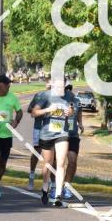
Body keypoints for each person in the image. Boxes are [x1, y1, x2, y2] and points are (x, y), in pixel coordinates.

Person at [30, 77, 74, 208]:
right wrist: (48, 110)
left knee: (61, 163)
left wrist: (70, 112)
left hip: (62, 133)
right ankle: (45, 187)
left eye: (62, 87)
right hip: (47, 134)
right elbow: (33, 113)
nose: (60, 90)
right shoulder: (45, 96)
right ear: (53, 85)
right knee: (48, 164)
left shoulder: (69, 95)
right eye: (58, 87)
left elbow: (72, 110)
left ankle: (58, 195)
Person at [27, 81, 51, 190]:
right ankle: (31, 176)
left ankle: (49, 181)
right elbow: (30, 109)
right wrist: (41, 111)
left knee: (50, 155)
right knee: (37, 152)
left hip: (52, 130)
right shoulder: (39, 95)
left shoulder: (58, 97)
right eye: (48, 84)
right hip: (38, 127)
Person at [63, 83, 83, 199]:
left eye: (70, 88)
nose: (69, 90)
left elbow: (79, 112)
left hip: (73, 135)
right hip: (60, 135)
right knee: (57, 162)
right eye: (66, 89)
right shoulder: (59, 101)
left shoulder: (77, 101)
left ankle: (67, 185)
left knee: (72, 161)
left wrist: (80, 123)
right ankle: (54, 184)